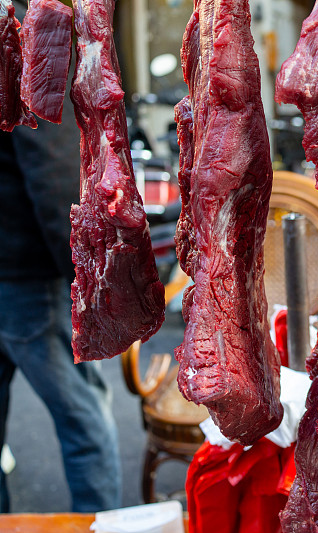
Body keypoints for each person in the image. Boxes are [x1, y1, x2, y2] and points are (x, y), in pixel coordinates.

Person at [0, 0, 122, 512]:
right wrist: (85, 279)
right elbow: (51, 167)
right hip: (30, 271)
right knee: (84, 418)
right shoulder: (35, 25)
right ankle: (103, 523)